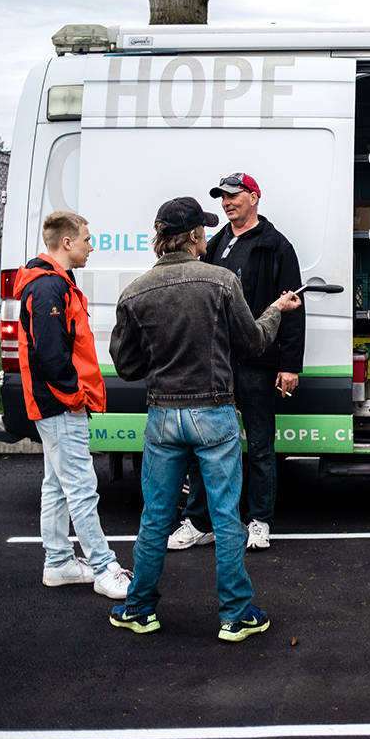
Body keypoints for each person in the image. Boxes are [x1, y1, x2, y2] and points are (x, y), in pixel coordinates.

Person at [108, 196, 301, 641]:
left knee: (156, 517)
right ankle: (235, 615)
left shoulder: (135, 291)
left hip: (163, 416)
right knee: (226, 516)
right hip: (214, 414)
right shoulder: (221, 281)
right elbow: (252, 343)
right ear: (195, 236)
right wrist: (276, 310)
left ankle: (139, 608)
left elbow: (128, 366)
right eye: (203, 232)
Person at [167, 172, 305, 552]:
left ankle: (259, 521)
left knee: (259, 445)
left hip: (258, 361)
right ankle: (199, 522)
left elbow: (292, 307)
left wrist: (289, 364)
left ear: (254, 197)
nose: (227, 203)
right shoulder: (218, 243)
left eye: (234, 196)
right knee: (204, 444)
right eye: (222, 198)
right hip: (216, 362)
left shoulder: (276, 246)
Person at [13, 211, 131, 599]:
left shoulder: (54, 283)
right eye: (86, 239)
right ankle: (103, 567)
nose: (91, 245)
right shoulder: (48, 288)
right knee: (81, 486)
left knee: (58, 486)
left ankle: (60, 562)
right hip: (60, 405)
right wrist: (75, 397)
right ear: (66, 243)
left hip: (54, 404)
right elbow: (50, 355)